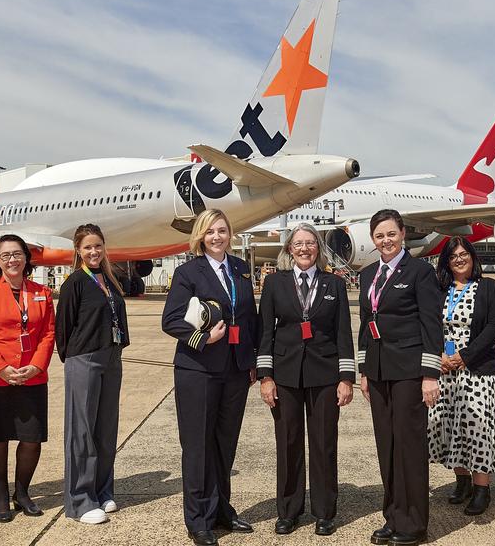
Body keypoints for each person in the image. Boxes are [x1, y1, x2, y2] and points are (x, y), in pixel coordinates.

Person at [161, 209, 259, 546]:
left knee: (224, 443)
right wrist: (205, 338)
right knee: (198, 445)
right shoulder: (188, 272)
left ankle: (221, 511)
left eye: (222, 231)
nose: (216, 237)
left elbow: (250, 319)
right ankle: (198, 519)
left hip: (234, 370)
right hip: (198, 370)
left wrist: (253, 361)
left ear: (230, 233)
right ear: (200, 236)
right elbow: (171, 319)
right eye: (210, 232)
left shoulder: (240, 270)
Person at [256, 223, 355, 536]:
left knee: (324, 443)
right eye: (298, 243)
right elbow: (265, 334)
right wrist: (265, 377)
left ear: (318, 248)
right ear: (289, 249)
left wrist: (346, 377)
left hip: (325, 375)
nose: (304, 249)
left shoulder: (334, 284)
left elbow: (343, 333)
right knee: (288, 443)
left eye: (310, 243)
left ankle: (325, 511)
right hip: (285, 375)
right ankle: (288, 510)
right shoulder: (274, 283)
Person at [357, 209, 442, 546]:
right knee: (387, 445)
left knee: (409, 445)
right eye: (379, 236)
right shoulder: (368, 275)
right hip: (378, 371)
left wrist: (430, 374)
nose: (386, 241)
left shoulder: (420, 271)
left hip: (409, 371)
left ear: (403, 234)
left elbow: (432, 324)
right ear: (373, 239)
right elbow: (365, 325)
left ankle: (414, 524)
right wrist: (364, 370)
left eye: (391, 234)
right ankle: (392, 515)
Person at [0, 235, 56, 523]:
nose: (12, 260)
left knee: (31, 438)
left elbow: (47, 333)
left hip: (30, 376)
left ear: (26, 258)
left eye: (17, 254)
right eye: (5, 256)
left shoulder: (42, 291)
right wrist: (2, 368)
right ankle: (1, 496)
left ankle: (23, 492)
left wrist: (37, 366)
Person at [57, 224, 131, 525]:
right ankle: (79, 500)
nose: (93, 252)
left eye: (98, 246)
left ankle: (102, 490)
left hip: (111, 357)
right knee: (82, 431)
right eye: (87, 247)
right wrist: (74, 357)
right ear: (78, 250)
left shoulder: (111, 280)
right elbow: (63, 326)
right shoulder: (74, 282)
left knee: (105, 429)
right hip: (84, 359)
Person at [428, 237, 495, 516]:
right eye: (453, 256)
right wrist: (440, 356)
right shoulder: (440, 290)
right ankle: (462, 483)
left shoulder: (488, 288)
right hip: (446, 368)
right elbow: (429, 324)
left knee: (478, 427)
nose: (459, 259)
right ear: (446, 262)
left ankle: (482, 488)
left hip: (477, 368)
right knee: (450, 425)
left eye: (464, 254)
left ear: (472, 257)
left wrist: (465, 355)